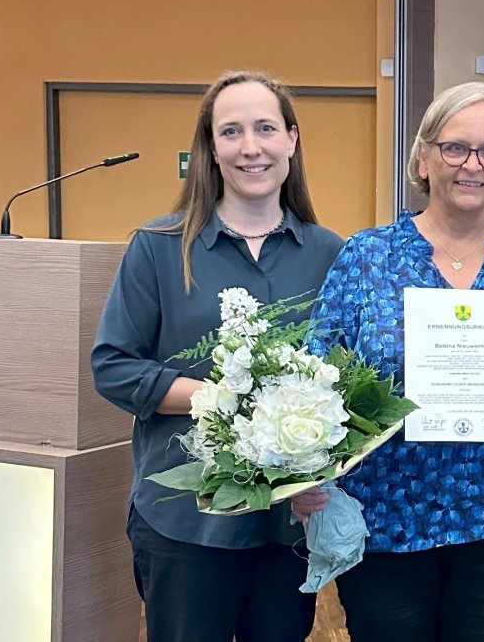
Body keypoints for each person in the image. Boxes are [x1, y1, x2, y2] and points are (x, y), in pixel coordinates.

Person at [303, 80, 484, 642]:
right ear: (424, 158)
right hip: (387, 518)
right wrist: (307, 481)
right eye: (455, 147)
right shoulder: (367, 257)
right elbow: (317, 378)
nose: (472, 165)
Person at [91, 69, 343, 642]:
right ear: (210, 146)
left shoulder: (330, 252)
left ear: (291, 140)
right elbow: (113, 365)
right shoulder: (158, 247)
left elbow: (345, 381)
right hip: (182, 516)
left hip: (287, 520)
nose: (250, 147)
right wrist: (231, 406)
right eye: (231, 132)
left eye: (265, 129)